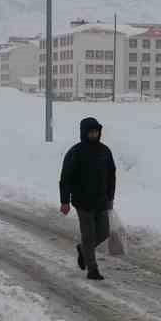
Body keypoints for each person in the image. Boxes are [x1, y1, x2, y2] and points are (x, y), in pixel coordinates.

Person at [60, 117, 116, 281]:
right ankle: (93, 270)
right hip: (82, 202)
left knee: (104, 232)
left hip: (101, 201)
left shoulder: (105, 151)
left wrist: (110, 197)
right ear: (84, 133)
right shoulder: (75, 152)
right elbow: (65, 178)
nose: (94, 134)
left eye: (96, 131)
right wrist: (64, 201)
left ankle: (83, 250)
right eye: (91, 132)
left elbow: (111, 175)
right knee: (89, 236)